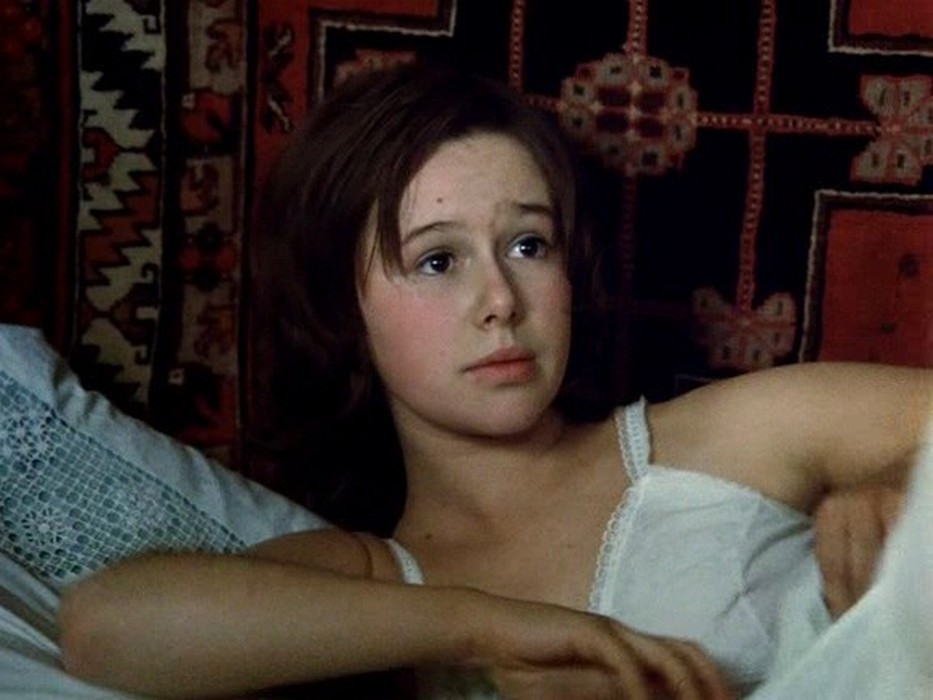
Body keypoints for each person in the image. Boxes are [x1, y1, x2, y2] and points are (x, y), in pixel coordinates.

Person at [57, 62, 932, 699]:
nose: (501, 302)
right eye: (437, 260)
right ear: (341, 308)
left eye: (527, 244)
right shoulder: (374, 579)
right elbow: (106, 627)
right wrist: (485, 626)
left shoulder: (724, 436)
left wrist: (899, 485)